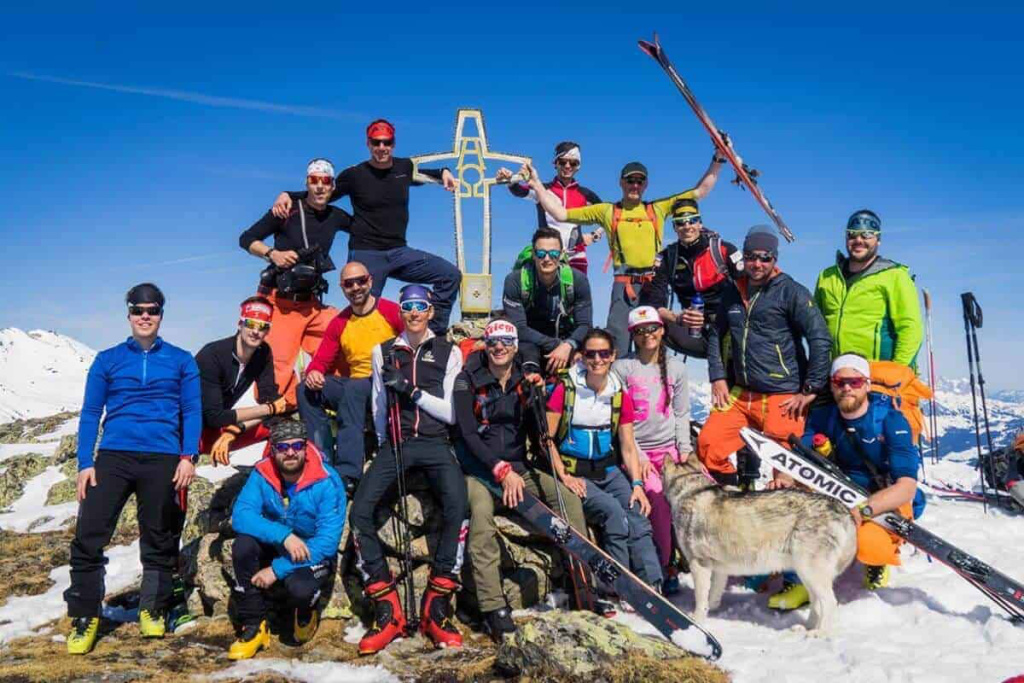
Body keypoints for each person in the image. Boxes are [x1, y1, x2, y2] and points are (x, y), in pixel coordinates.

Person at [65, 283, 201, 655]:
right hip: (113, 456)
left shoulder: (181, 360)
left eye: (152, 310)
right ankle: (84, 614)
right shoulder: (107, 360)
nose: (145, 315)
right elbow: (91, 413)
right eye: (138, 309)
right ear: (128, 314)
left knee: (159, 535)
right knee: (89, 533)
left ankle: (153, 609)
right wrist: (85, 464)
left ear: (160, 315)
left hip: (162, 456)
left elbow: (191, 411)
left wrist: (188, 456)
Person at [350, 285, 468, 654]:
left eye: (421, 306)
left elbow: (451, 412)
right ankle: (388, 608)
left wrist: (412, 391)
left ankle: (437, 606)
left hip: (435, 443)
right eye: (408, 307)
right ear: (400, 312)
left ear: (431, 311)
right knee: (360, 513)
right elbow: (378, 403)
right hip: (398, 444)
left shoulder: (449, 352)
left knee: (459, 509)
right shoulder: (382, 351)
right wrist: (386, 443)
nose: (414, 312)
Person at [454, 319, 589, 639]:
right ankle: (493, 607)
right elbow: (467, 434)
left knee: (567, 501)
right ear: (486, 345)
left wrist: (560, 472)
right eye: (493, 341)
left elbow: (539, 434)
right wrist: (500, 469)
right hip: (479, 471)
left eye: (506, 341)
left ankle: (582, 583)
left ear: (515, 347)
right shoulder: (467, 380)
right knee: (482, 521)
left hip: (519, 469)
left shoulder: (523, 382)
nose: (499, 346)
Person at [522, 150, 726, 356]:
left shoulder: (657, 208)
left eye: (640, 181)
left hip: (653, 285)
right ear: (621, 182)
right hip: (623, 285)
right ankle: (617, 385)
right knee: (618, 342)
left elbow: (700, 192)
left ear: (645, 185)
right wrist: (537, 184)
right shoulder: (607, 211)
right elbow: (560, 213)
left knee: (651, 343)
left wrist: (718, 160)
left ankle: (650, 385)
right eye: (630, 180)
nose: (635, 185)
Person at [270, 119, 462, 335]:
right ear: (368, 144)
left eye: (386, 142)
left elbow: (425, 175)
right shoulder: (354, 175)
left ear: (393, 144)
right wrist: (289, 194)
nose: (382, 148)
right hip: (366, 253)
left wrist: (444, 171)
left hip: (399, 252)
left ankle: (432, 338)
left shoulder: (404, 168)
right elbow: (321, 195)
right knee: (365, 319)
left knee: (450, 275)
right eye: (376, 142)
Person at [767, 353, 924, 610]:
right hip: (839, 491)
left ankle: (876, 564)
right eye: (840, 382)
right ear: (831, 384)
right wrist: (784, 479)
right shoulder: (822, 417)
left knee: (869, 544)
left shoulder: (890, 419)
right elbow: (798, 459)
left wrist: (866, 509)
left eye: (855, 381)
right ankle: (799, 582)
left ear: (867, 384)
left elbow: (906, 486)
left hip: (882, 498)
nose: (847, 387)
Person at [698, 226, 832, 486]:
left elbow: (820, 337)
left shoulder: (791, 291)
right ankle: (732, 497)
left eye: (765, 257)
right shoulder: (732, 291)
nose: (757, 263)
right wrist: (717, 376)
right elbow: (715, 333)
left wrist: (812, 388)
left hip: (782, 395)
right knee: (708, 447)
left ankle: (782, 516)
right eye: (750, 257)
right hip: (742, 394)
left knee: (786, 469)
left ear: (775, 259)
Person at [545, 328, 662, 590]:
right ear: (582, 356)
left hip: (609, 471)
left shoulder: (620, 395)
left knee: (638, 514)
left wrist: (637, 485)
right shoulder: (566, 390)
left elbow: (628, 445)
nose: (597, 359)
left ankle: (652, 586)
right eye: (591, 354)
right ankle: (618, 586)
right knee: (613, 513)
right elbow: (547, 438)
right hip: (576, 473)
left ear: (613, 356)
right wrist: (564, 476)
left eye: (604, 353)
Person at [227, 418, 347, 659]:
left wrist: (276, 570)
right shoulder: (262, 473)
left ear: (305, 447)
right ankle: (254, 624)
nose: (290, 452)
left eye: (297, 446)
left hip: (312, 550)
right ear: (272, 450)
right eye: (282, 447)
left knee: (300, 589)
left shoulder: (327, 481)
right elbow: (241, 515)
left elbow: (326, 543)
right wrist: (284, 536)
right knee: (243, 546)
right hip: (279, 542)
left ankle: (306, 610)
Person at [239, 158, 351, 407]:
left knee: (348, 338)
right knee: (277, 370)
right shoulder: (286, 210)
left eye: (326, 181)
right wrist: (272, 254)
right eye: (314, 180)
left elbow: (366, 227)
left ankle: (342, 401)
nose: (320, 187)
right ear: (307, 183)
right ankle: (280, 422)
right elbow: (246, 238)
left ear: (333, 186)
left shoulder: (336, 216)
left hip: (313, 305)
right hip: (281, 303)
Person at [297, 261, 404, 492]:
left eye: (361, 281)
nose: (356, 287)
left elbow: (415, 338)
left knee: (354, 389)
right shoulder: (340, 322)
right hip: (355, 383)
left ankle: (348, 474)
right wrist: (314, 371)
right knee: (305, 388)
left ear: (370, 281)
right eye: (349, 284)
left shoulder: (390, 311)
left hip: (385, 383)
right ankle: (321, 458)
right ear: (342, 287)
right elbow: (322, 358)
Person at [612, 307, 693, 595]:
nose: (648, 335)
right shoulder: (622, 368)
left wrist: (684, 451)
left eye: (652, 329)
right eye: (641, 330)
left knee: (701, 493)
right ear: (633, 335)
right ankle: (663, 565)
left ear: (662, 331)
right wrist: (640, 458)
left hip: (670, 450)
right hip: (638, 451)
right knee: (657, 500)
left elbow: (681, 414)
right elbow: (623, 422)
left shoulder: (677, 368)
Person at [814, 209, 924, 366]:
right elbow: (815, 326)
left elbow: (910, 329)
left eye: (866, 235)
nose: (858, 240)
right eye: (852, 234)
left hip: (879, 377)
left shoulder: (894, 276)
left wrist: (897, 371)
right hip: (837, 375)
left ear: (878, 239)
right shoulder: (827, 277)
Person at [640, 197, 743, 357]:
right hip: (693, 329)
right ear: (674, 227)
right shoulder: (667, 257)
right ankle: (652, 375)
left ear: (700, 223)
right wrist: (678, 318)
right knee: (647, 324)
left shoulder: (722, 249)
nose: (687, 227)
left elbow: (750, 289)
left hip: (728, 324)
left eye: (692, 220)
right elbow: (655, 303)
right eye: (680, 222)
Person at [195, 297, 288, 465]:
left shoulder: (263, 352)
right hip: (188, 430)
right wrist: (270, 408)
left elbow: (273, 404)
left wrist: (237, 429)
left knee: (284, 428)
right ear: (240, 324)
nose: (255, 332)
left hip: (222, 426)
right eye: (250, 324)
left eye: (263, 327)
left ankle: (271, 484)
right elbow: (213, 416)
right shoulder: (211, 355)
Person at [496, 141, 604, 274]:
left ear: (578, 166)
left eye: (573, 163)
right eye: (563, 162)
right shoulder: (542, 190)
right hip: (547, 256)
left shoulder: (585, 194)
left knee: (579, 293)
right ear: (555, 163)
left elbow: (610, 215)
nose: (568, 166)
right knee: (544, 294)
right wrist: (510, 179)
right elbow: (519, 190)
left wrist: (595, 235)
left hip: (577, 257)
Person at [502, 227, 594, 374]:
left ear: (561, 254)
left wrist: (568, 345)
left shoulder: (577, 280)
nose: (547, 259)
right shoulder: (515, 280)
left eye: (553, 253)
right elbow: (519, 328)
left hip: (566, 341)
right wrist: (557, 345)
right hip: (530, 342)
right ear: (533, 254)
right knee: (528, 360)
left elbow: (585, 324)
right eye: (541, 253)